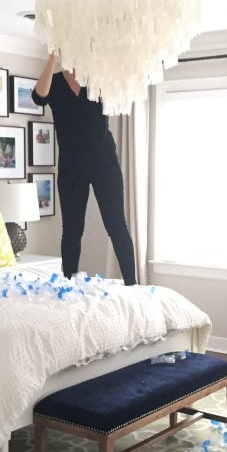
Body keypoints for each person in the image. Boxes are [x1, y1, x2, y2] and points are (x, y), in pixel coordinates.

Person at [32, 52, 137, 285]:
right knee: (71, 228)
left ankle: (133, 284)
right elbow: (39, 97)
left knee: (116, 225)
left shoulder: (98, 81)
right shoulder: (56, 82)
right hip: (71, 166)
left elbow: (121, 89)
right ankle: (69, 284)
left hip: (104, 163)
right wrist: (51, 59)